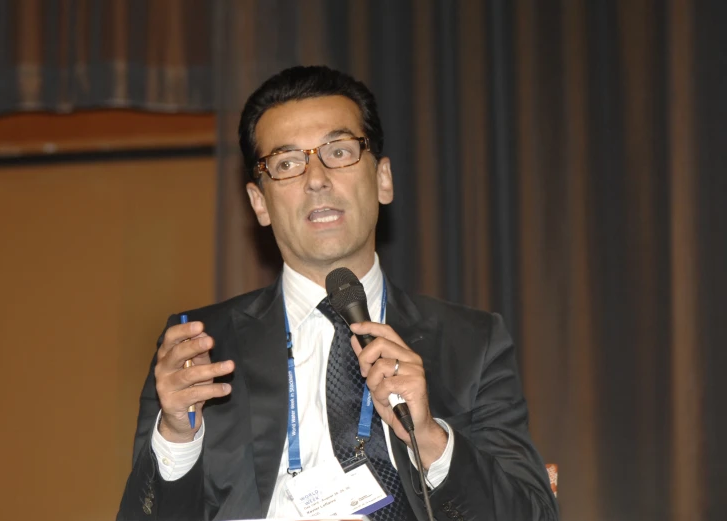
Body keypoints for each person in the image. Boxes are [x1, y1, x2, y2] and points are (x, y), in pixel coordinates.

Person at [117, 66, 558, 521]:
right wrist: (175, 437)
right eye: (287, 163)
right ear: (260, 203)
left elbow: (534, 514)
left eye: (339, 151)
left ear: (383, 179)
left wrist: (428, 436)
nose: (316, 178)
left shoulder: (472, 341)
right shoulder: (200, 344)